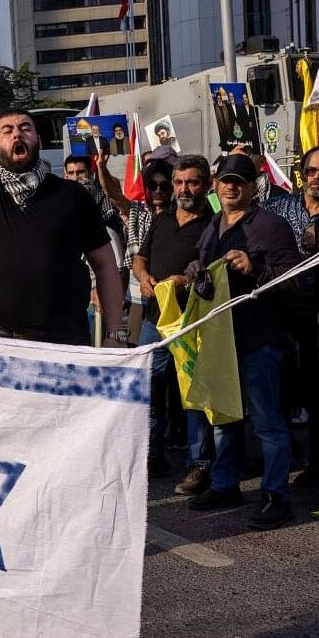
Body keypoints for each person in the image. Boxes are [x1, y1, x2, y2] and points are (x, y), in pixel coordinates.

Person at [0, 0, 125, 346]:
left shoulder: (72, 195)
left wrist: (114, 335)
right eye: (7, 130)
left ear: (37, 140)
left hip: (60, 346)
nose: (17, 134)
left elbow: (105, 265)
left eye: (25, 128)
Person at [185, 155, 301, 531]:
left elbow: (296, 280)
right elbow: (204, 273)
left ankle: (276, 496)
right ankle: (225, 485)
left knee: (267, 422)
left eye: (240, 181)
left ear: (254, 187)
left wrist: (256, 269)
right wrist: (195, 272)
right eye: (225, 181)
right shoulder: (212, 227)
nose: (231, 187)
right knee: (224, 417)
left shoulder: (272, 226)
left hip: (258, 339)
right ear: (216, 186)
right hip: (220, 340)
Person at [133, 155, 215, 486]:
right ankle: (153, 456)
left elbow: (213, 269)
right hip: (155, 321)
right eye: (178, 183)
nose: (183, 189)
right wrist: (142, 277)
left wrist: (191, 276)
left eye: (192, 182)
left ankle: (199, 464)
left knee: (194, 396)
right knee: (149, 391)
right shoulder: (162, 219)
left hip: (193, 322)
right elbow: (140, 257)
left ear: (206, 184)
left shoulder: (214, 222)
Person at [264, 146, 319, 489]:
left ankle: (317, 462)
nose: (318, 178)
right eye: (312, 171)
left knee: (318, 393)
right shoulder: (278, 207)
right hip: (280, 312)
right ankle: (279, 456)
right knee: (278, 388)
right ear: (302, 173)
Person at [123, 159, 174, 344]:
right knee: (137, 349)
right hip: (138, 293)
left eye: (164, 186)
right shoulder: (138, 211)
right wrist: (103, 168)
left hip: (169, 300)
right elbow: (113, 193)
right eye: (152, 185)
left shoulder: (181, 215)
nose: (158, 191)